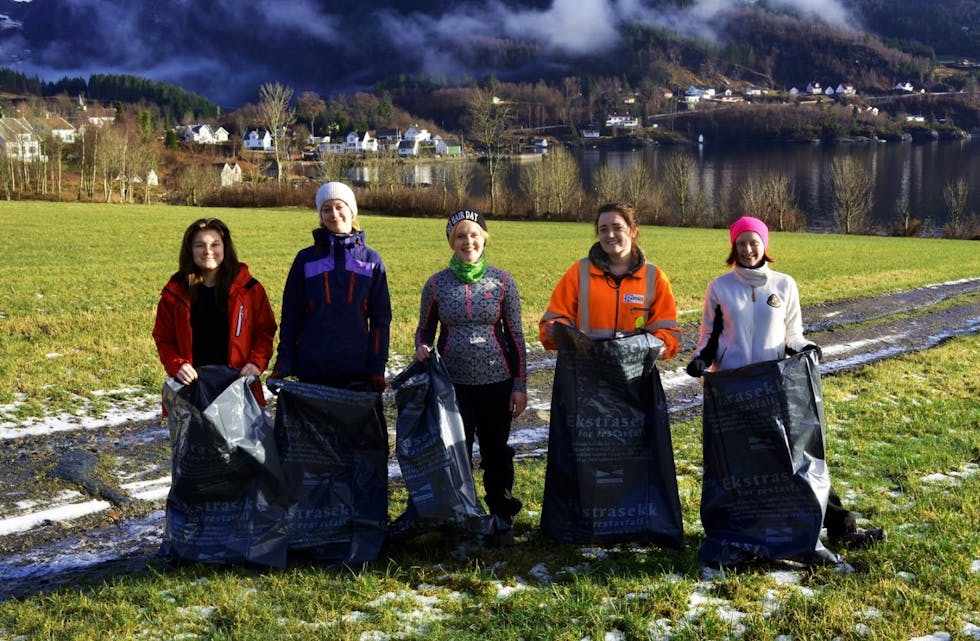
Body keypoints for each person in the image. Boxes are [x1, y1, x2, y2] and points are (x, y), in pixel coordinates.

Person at [686, 215, 885, 551]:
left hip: (775, 388)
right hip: (733, 391)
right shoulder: (720, 287)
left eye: (754, 242)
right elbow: (709, 334)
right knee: (736, 465)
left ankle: (842, 526)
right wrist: (701, 360)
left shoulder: (784, 285)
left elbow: (792, 334)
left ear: (764, 244)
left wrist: (806, 348)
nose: (748, 249)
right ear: (733, 247)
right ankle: (736, 529)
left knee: (798, 459)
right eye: (741, 243)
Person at [414, 209, 528, 524]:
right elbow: (424, 329)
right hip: (452, 385)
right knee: (455, 453)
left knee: (495, 452)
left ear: (484, 238)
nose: (468, 242)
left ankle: (501, 514)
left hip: (498, 382)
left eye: (474, 234)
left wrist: (519, 385)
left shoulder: (503, 281)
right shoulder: (436, 285)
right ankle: (460, 513)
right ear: (451, 242)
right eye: (460, 236)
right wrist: (421, 346)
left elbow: (516, 336)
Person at [272, 181, 391, 394]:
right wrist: (284, 361)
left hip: (358, 369)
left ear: (351, 211)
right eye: (326, 209)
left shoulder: (371, 260)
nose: (334, 214)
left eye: (339, 207)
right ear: (320, 215)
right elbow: (291, 315)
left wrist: (377, 368)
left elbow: (381, 321)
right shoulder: (305, 259)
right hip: (312, 369)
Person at [153, 217, 277, 405]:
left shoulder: (249, 289)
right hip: (193, 389)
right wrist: (177, 365)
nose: (208, 251)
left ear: (225, 248)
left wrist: (256, 363)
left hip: (238, 386)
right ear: (190, 250)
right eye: (199, 245)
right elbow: (163, 338)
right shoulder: (175, 292)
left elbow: (265, 332)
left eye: (215, 244)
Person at [538, 202, 681, 359]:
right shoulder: (579, 272)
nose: (610, 235)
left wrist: (660, 347)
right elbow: (555, 319)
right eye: (603, 229)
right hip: (585, 372)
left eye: (617, 227)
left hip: (634, 375)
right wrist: (553, 330)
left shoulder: (655, 277)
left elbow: (668, 332)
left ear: (633, 231)